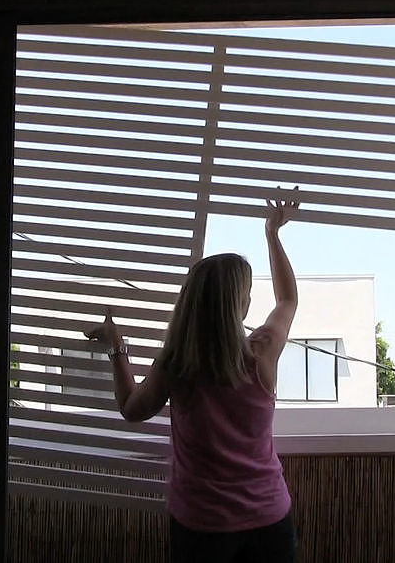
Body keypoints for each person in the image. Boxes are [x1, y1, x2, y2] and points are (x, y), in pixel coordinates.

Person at [87, 190, 301, 563]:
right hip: (269, 521)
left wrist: (117, 346)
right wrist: (272, 233)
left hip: (203, 527)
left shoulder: (176, 364)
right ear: (239, 304)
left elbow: (131, 409)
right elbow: (287, 300)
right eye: (247, 294)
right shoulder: (262, 352)